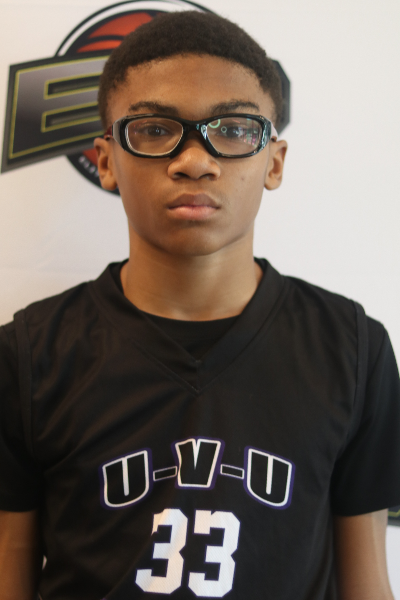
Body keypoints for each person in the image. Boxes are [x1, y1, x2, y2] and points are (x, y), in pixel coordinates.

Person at [0, 10, 399, 600]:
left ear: (274, 162)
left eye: (234, 129)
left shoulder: (353, 350)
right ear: (106, 161)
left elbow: (368, 583)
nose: (194, 160)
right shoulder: (29, 355)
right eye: (154, 129)